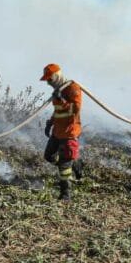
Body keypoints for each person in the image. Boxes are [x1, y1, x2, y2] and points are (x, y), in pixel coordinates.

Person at [40, 63, 84, 201]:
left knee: (64, 166)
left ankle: (66, 194)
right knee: (49, 156)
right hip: (58, 131)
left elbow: (75, 109)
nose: (48, 83)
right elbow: (58, 110)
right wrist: (50, 123)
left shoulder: (73, 88)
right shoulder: (58, 91)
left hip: (69, 132)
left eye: (49, 79)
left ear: (57, 76)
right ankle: (75, 163)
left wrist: (62, 98)